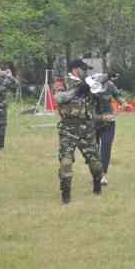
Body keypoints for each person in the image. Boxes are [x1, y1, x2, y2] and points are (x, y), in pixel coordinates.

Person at [53, 59, 104, 204]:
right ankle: (66, 195)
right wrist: (78, 90)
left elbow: (100, 92)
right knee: (66, 162)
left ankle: (97, 185)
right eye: (84, 69)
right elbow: (60, 98)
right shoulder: (61, 82)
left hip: (86, 128)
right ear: (75, 69)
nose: (86, 72)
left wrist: (105, 79)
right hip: (68, 128)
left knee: (95, 163)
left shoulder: (87, 83)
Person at [93, 73, 130, 186]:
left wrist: (123, 103)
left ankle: (103, 174)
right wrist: (101, 117)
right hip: (93, 122)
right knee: (93, 149)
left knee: (106, 146)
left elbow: (117, 95)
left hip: (109, 123)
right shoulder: (90, 87)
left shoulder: (110, 85)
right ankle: (95, 172)